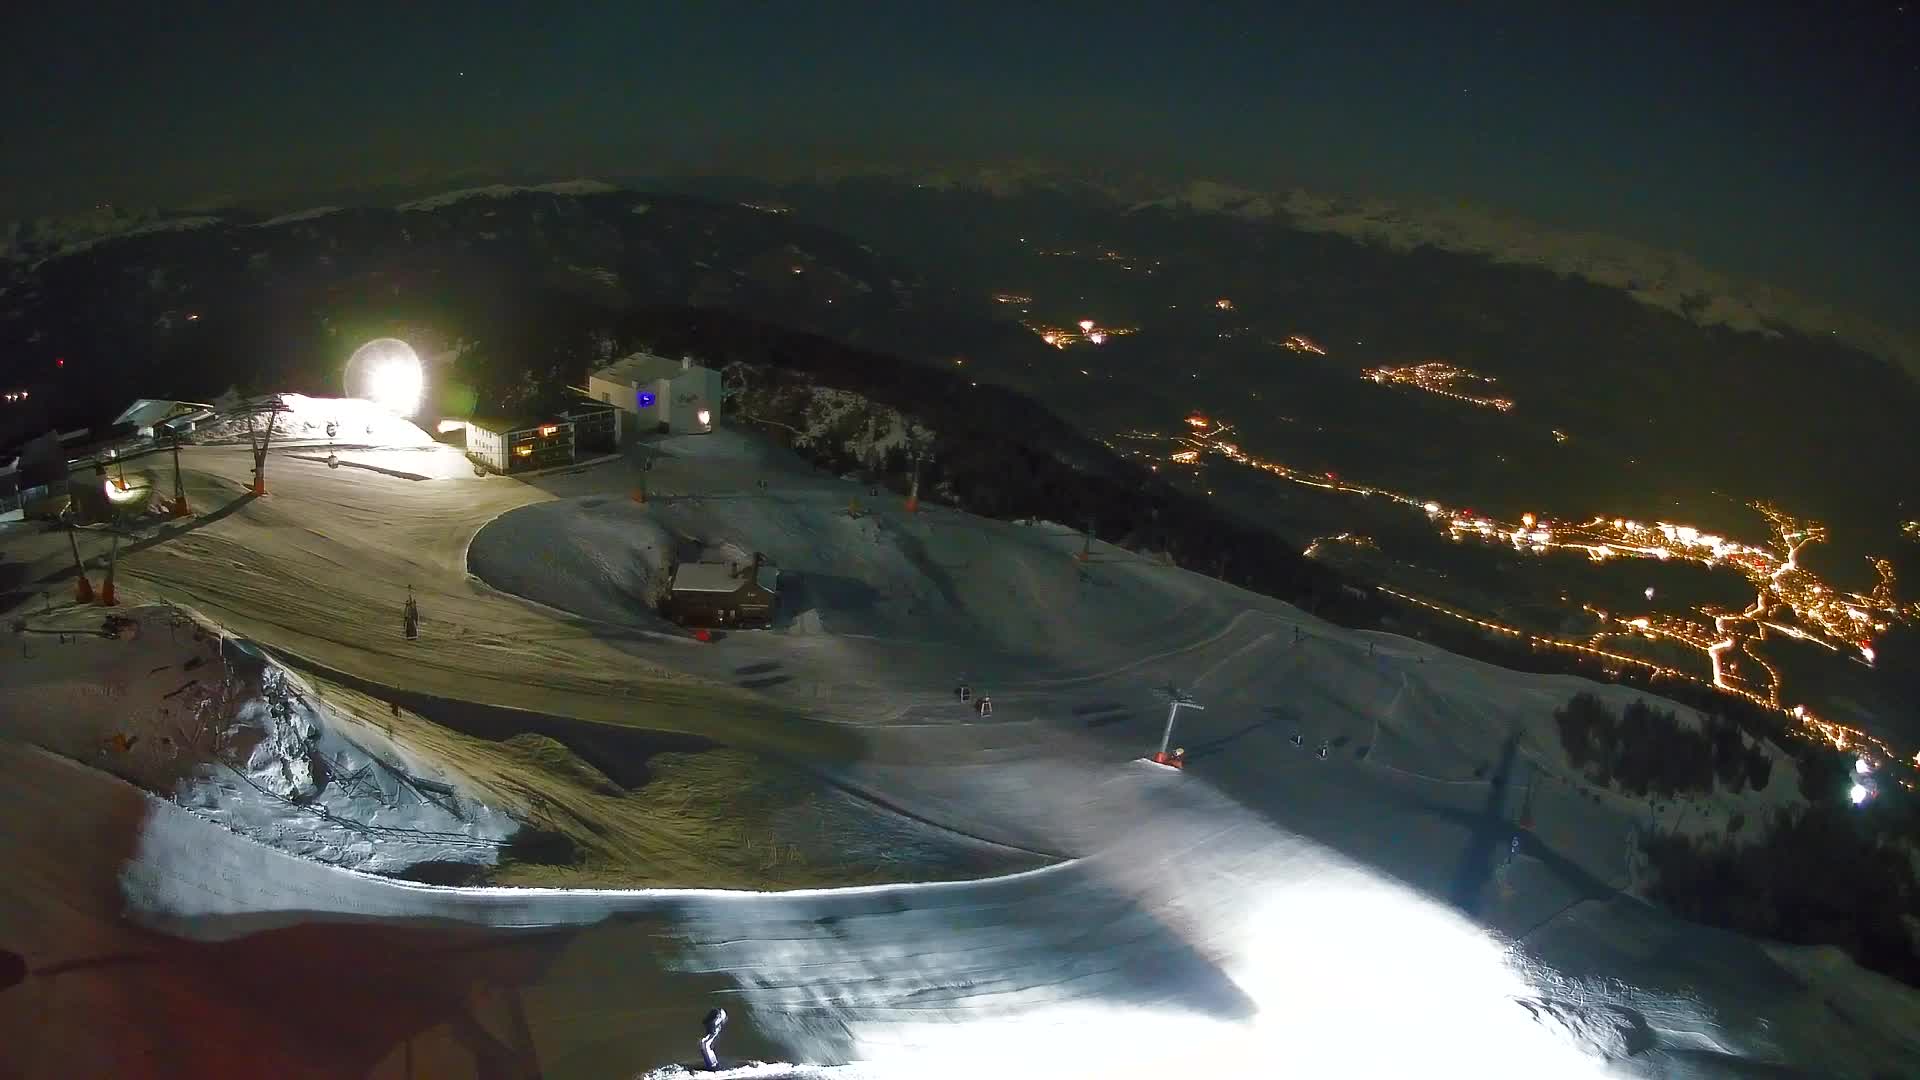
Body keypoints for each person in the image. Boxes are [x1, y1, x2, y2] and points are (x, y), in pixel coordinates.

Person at [699, 1007, 728, 1071]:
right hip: (716, 1020)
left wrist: (713, 1029)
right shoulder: (712, 1020)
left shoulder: (717, 1017)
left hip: (717, 1018)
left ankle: (713, 1065)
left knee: (703, 1044)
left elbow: (717, 1020)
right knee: (708, 1045)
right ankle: (714, 1063)